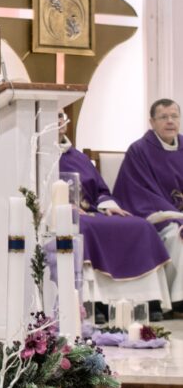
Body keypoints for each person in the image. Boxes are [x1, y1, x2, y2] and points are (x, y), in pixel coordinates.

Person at [57, 112, 171, 322]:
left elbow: (101, 190)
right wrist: (63, 205)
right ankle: (96, 303)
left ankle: (148, 300)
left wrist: (108, 205)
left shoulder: (79, 157)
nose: (58, 121)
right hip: (65, 215)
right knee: (86, 227)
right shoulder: (38, 156)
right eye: (53, 116)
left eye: (60, 116)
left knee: (140, 226)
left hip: (93, 211)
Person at [114, 99, 183, 312]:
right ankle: (177, 299)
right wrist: (176, 216)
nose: (170, 121)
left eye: (174, 116)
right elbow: (138, 191)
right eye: (164, 117)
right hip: (155, 215)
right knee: (176, 235)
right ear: (152, 122)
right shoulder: (139, 150)